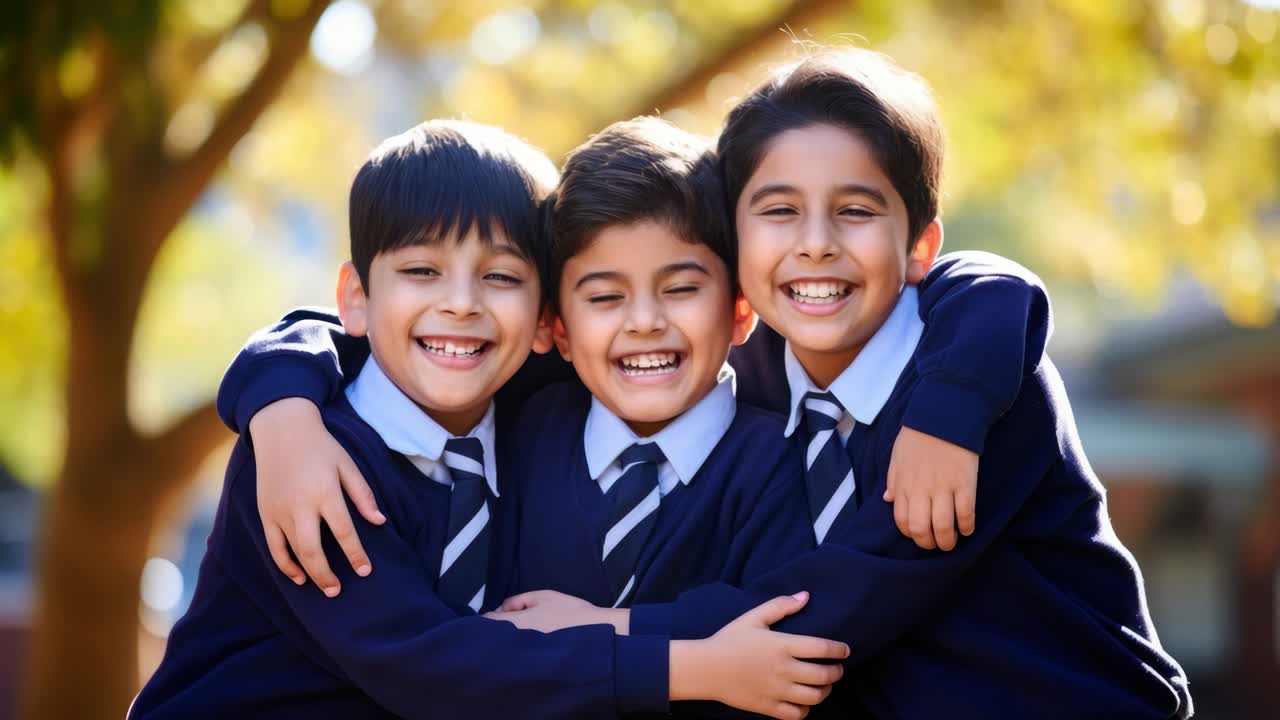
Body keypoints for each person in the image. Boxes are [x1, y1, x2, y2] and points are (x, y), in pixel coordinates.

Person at [507, 48, 1193, 719]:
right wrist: (398, 427)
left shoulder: (978, 389)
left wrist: (615, 627)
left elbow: (833, 605)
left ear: (919, 246)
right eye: (778, 211)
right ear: (734, 247)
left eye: (856, 212)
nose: (815, 243)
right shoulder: (755, 367)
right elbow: (541, 345)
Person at [129, 119, 848, 720]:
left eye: (500, 277)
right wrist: (280, 409)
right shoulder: (315, 466)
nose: (462, 305)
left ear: (545, 322)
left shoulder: (528, 402)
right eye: (421, 272)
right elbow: (429, 665)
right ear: (357, 298)